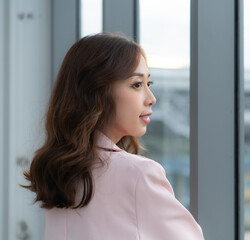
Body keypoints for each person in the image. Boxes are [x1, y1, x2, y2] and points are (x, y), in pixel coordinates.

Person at [22, 32, 204, 240]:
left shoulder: (59, 171)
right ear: (97, 92)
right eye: (137, 84)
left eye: (148, 84)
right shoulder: (139, 174)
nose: (151, 99)